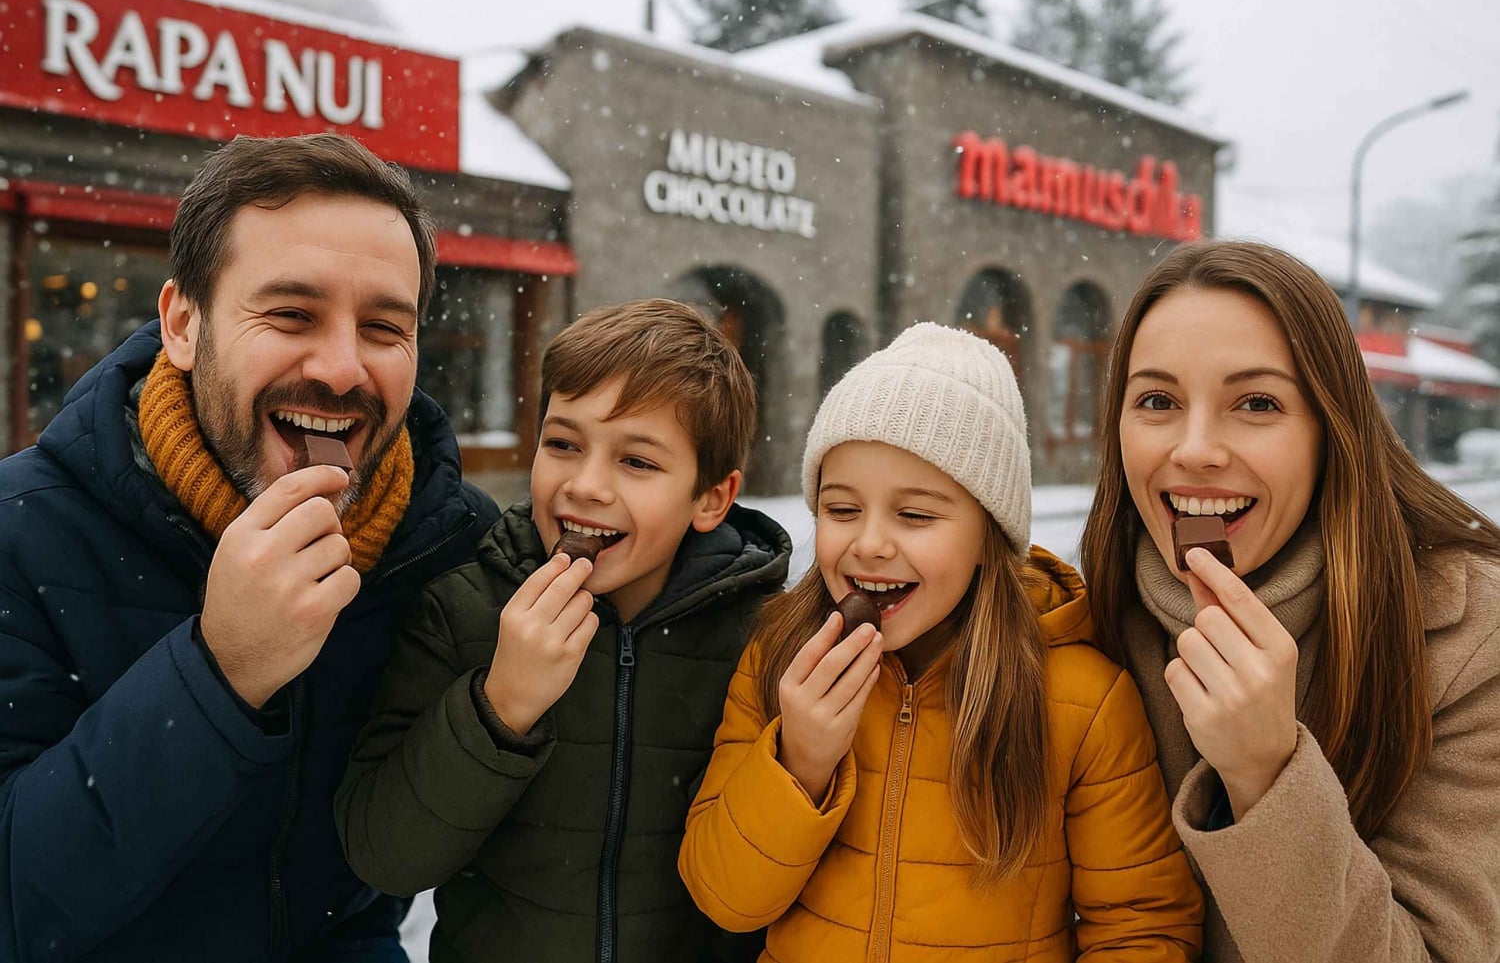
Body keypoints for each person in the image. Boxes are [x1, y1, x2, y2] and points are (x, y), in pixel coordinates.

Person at [0, 133, 500, 962]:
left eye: (385, 326)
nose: (342, 369)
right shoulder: (21, 530)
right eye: (292, 314)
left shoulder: (452, 543)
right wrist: (219, 671)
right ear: (183, 323)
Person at [678, 322, 1204, 961]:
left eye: (915, 515)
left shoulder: (1083, 700)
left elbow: (1141, 928)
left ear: (988, 536)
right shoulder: (781, 659)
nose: (870, 543)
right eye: (842, 510)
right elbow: (726, 899)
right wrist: (801, 762)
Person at [1079, 239, 1500, 961]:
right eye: (1157, 400)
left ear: (1331, 431)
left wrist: (1265, 773)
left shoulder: (1469, 641)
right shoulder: (1074, 630)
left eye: (1257, 403)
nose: (1196, 449)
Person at [335, 298, 793, 962]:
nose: (585, 485)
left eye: (637, 462)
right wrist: (501, 706)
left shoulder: (763, 639)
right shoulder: (463, 611)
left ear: (711, 497)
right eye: (563, 444)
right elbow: (385, 856)